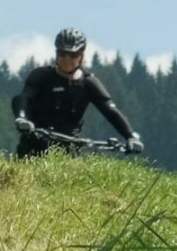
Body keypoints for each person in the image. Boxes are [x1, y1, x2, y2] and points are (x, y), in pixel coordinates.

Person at [10, 28, 144, 158]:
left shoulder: (89, 83)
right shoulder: (41, 75)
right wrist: (21, 118)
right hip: (34, 146)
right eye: (62, 53)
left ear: (81, 56)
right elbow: (23, 98)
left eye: (73, 55)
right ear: (56, 53)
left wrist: (131, 137)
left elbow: (110, 111)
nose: (67, 59)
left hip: (69, 150)